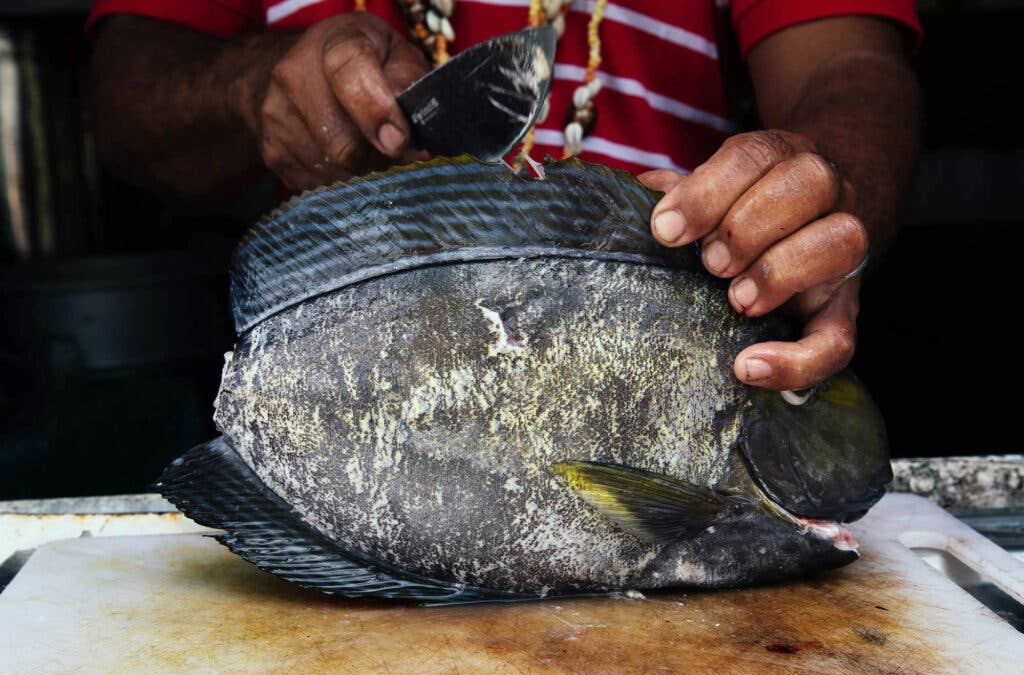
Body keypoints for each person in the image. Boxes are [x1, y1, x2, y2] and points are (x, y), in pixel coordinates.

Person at [87, 0, 920, 392]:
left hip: (675, 396)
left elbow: (847, 67)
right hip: (339, 395)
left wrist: (824, 186)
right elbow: (123, 101)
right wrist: (249, 81)